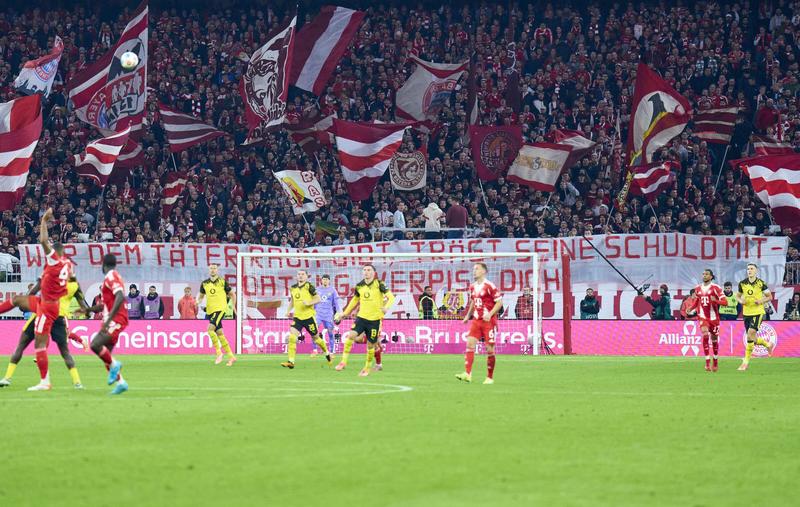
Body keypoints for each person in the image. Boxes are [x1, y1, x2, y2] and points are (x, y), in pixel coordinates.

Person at [0, 276, 88, 389]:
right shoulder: (75, 285)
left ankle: (7, 378)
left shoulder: (49, 276)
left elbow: (31, 293)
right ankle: (77, 382)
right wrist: (85, 313)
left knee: (22, 345)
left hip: (43, 312)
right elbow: (84, 307)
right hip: (59, 318)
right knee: (65, 352)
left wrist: (29, 300)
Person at [334, 264, 396, 376]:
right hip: (361, 318)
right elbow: (354, 300)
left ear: (374, 272)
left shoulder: (380, 284)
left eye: (369, 270)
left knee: (371, 345)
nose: (366, 272)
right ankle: (343, 362)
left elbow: (391, 297)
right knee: (351, 336)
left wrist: (386, 307)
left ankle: (367, 368)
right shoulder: (359, 286)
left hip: (375, 320)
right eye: (364, 270)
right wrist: (345, 313)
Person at [83, 254, 130, 395]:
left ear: (103, 265)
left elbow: (120, 296)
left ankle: (116, 365)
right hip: (112, 319)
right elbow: (104, 305)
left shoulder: (111, 276)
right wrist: (88, 310)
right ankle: (121, 383)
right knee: (106, 356)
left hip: (115, 320)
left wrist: (109, 320)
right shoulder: (110, 279)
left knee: (95, 345)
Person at [456, 262, 502, 385]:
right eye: (473, 269)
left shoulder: (490, 286)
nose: (474, 271)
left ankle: (489, 377)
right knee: (470, 344)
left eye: (477, 269)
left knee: (489, 349)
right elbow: (473, 301)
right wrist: (468, 316)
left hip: (488, 322)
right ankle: (467, 374)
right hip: (476, 320)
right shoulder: (472, 287)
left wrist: (490, 314)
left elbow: (499, 303)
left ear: (483, 271)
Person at [281, 270, 332, 369]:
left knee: (316, 339)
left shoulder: (309, 286)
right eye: (299, 274)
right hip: (298, 318)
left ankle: (327, 353)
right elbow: (292, 301)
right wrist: (288, 311)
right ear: (296, 276)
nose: (300, 276)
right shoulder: (293, 288)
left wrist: (309, 303)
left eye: (303, 274)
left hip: (309, 318)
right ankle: (291, 361)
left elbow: (318, 299)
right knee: (292, 338)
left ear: (306, 276)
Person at [735, 263, 774, 371]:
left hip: (758, 312)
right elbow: (737, 296)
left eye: (752, 268)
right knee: (752, 338)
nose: (749, 270)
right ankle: (767, 344)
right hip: (746, 313)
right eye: (748, 269)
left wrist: (760, 301)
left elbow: (769, 297)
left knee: (751, 333)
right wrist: (741, 301)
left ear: (756, 271)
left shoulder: (761, 283)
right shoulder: (742, 283)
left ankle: (745, 362)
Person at [197, 264, 236, 366]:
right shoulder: (204, 283)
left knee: (210, 330)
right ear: (208, 270)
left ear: (217, 270)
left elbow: (232, 294)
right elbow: (201, 297)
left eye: (214, 268)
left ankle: (219, 353)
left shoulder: (222, 282)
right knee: (220, 334)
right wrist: (198, 302)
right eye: (211, 268)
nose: (213, 270)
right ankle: (231, 356)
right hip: (210, 311)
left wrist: (233, 306)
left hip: (220, 309)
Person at [690, 269, 726, 372]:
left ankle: (715, 361)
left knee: (714, 340)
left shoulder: (716, 288)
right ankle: (707, 362)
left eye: (706, 274)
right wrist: (691, 308)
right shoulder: (697, 288)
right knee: (705, 334)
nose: (704, 276)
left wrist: (716, 301)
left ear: (711, 276)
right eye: (703, 274)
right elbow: (697, 301)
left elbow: (725, 302)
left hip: (714, 318)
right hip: (702, 316)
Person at [314, 274, 340, 354]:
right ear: (321, 280)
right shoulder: (317, 290)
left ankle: (331, 351)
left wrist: (338, 312)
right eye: (324, 279)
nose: (325, 281)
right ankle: (315, 350)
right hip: (318, 314)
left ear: (329, 281)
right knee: (314, 332)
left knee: (330, 333)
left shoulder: (332, 290)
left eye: (326, 279)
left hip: (328, 315)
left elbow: (336, 302)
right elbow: (313, 301)